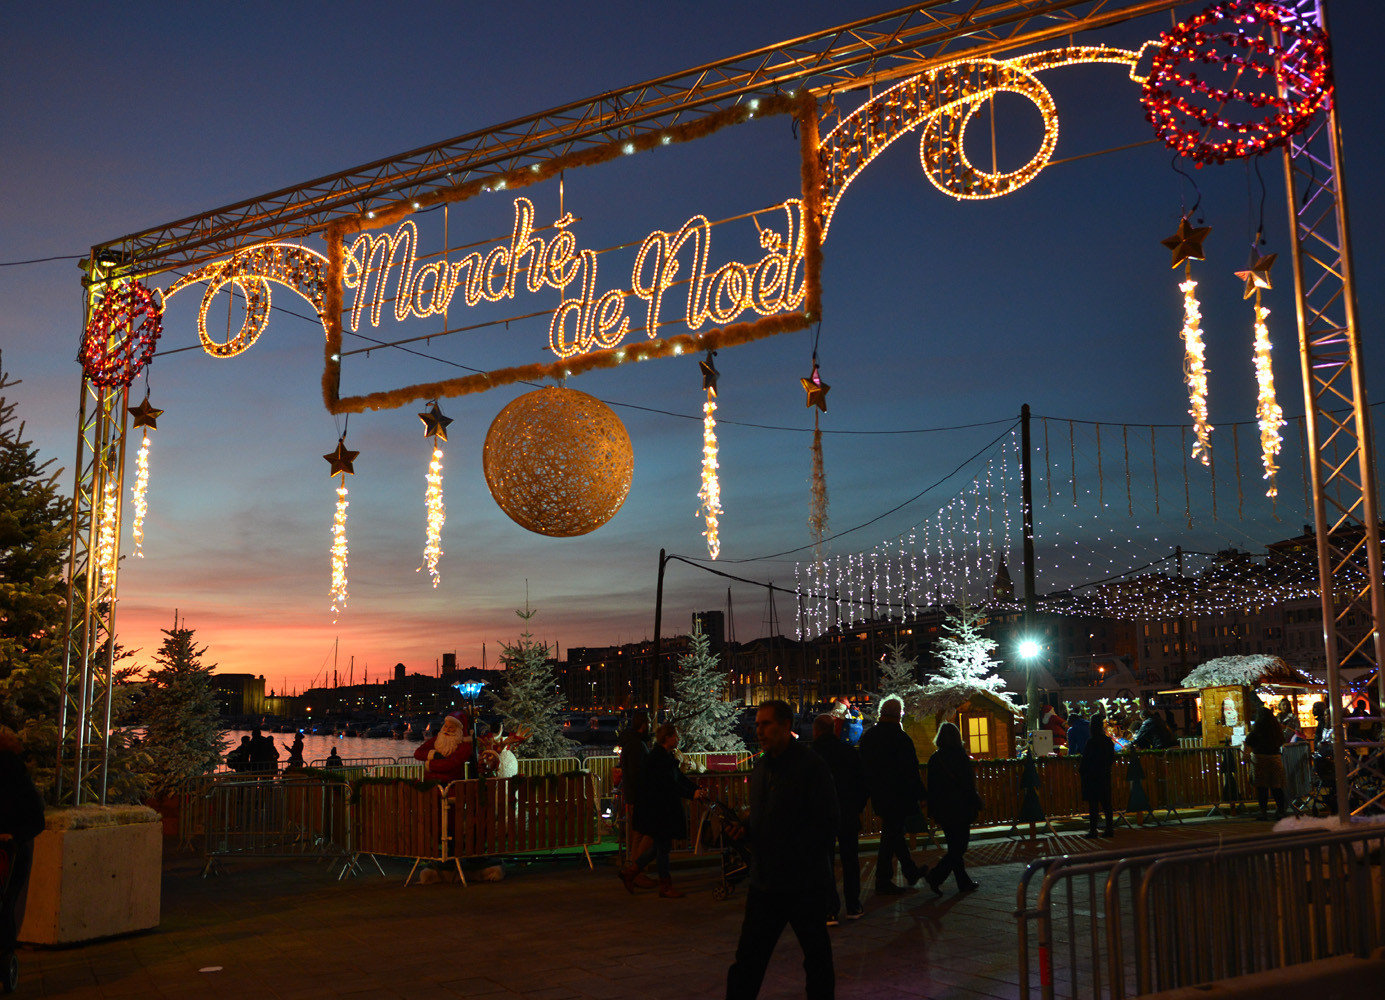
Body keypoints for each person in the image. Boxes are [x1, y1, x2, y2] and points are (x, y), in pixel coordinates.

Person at [724, 700, 837, 1000]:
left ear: (786, 726)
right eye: (757, 725)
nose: (759, 731)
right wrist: (746, 829)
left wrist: (792, 848)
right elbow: (764, 815)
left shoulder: (811, 767)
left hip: (803, 882)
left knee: (816, 958)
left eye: (766, 724)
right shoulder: (762, 767)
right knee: (748, 960)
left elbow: (826, 822)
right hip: (766, 882)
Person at [857, 694, 928, 893]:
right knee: (891, 835)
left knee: (893, 833)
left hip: (879, 794)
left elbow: (863, 768)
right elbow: (911, 769)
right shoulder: (901, 738)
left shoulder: (870, 737)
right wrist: (921, 794)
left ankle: (909, 871)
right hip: (899, 795)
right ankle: (883, 879)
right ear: (898, 714)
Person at [625, 723, 703, 898]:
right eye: (675, 736)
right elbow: (670, 783)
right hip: (660, 810)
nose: (678, 739)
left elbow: (677, 778)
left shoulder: (662, 756)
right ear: (667, 738)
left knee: (660, 847)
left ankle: (631, 872)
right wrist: (692, 793)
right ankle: (664, 885)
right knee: (662, 849)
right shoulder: (660, 759)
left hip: (658, 810)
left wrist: (694, 789)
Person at [811, 714, 867, 924]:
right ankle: (853, 904)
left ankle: (830, 908)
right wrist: (856, 807)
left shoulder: (811, 755)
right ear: (834, 729)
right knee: (850, 859)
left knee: (825, 861)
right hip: (847, 812)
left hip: (821, 816)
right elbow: (862, 783)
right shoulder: (848, 752)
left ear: (816, 731)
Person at [1, 726, 45, 981]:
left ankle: (6, 950)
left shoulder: (14, 777)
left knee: (5, 901)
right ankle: (6, 948)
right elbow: (36, 819)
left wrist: (13, 836)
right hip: (12, 848)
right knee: (6, 903)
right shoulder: (20, 779)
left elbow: (34, 820)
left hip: (10, 850)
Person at [924, 721, 982, 894]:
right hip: (961, 807)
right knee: (960, 847)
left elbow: (931, 786)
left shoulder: (935, 758)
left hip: (943, 808)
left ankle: (963, 882)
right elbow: (968, 784)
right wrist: (975, 802)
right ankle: (936, 875)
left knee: (953, 846)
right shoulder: (960, 756)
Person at [616, 712, 656, 891]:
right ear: (644, 725)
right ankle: (636, 871)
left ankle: (634, 871)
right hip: (639, 797)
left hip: (635, 796)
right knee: (644, 834)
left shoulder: (632, 744)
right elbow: (637, 774)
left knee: (638, 834)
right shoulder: (637, 745)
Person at [1246, 704, 1287, 819]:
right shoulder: (1276, 729)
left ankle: (1263, 811)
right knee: (1276, 786)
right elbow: (1281, 741)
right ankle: (1281, 810)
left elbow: (1249, 740)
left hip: (1260, 759)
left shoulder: (1257, 729)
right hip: (1274, 758)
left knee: (1262, 787)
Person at [1079, 712, 1115, 838]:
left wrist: (1083, 771)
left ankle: (1093, 830)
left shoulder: (1091, 742)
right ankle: (1109, 829)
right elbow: (1111, 758)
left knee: (1093, 805)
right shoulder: (1107, 741)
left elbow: (1086, 760)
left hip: (1092, 776)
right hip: (1104, 775)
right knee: (1106, 804)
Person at [413, 712, 472, 781]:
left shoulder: (464, 746)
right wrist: (433, 754)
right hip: (430, 782)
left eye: (451, 727)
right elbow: (417, 753)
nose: (446, 730)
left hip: (450, 783)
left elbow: (449, 765)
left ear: (458, 730)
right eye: (446, 726)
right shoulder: (438, 739)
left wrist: (429, 764)